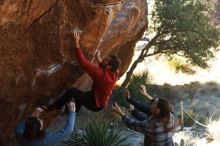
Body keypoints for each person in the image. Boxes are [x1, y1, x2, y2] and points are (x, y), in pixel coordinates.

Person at [45, 31, 121, 112]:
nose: (103, 59)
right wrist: (99, 59)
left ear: (109, 67)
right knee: (81, 97)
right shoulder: (115, 72)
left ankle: (52, 108)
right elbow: (106, 68)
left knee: (72, 91)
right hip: (96, 98)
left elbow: (83, 61)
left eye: (105, 60)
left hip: (95, 104)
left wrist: (76, 43)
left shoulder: (101, 75)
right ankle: (74, 110)